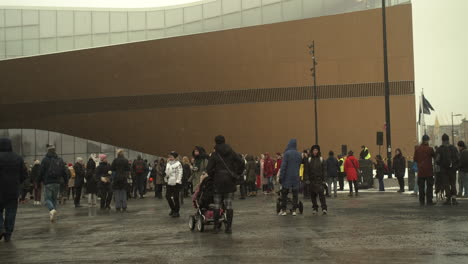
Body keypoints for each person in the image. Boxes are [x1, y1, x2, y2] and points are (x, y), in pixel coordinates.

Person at [207, 135, 244, 234]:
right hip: (229, 181)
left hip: (218, 181)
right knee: (229, 205)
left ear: (215, 142)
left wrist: (213, 176)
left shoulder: (214, 154)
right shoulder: (231, 152)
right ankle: (229, 227)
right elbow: (241, 162)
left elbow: (209, 169)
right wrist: (237, 173)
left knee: (217, 205)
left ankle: (216, 227)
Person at [0, 138, 27, 242]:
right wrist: (16, 182)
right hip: (13, 190)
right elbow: (24, 175)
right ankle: (8, 233)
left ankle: (0, 228)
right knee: (11, 212)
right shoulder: (18, 158)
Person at [38, 144, 68, 222]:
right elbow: (64, 171)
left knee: (47, 199)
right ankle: (53, 214)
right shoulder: (59, 159)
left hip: (48, 182)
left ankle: (51, 210)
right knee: (54, 199)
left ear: (48, 151)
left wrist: (38, 181)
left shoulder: (45, 160)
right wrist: (66, 181)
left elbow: (41, 172)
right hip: (57, 182)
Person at [278, 139, 302, 216]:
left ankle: (284, 210)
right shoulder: (298, 154)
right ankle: (294, 210)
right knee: (295, 194)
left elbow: (283, 166)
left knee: (284, 193)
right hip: (295, 176)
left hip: (287, 177)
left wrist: (281, 177)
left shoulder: (287, 154)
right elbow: (299, 166)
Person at [436, 134, 459, 205]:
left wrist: (440, 165)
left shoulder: (440, 149)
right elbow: (458, 158)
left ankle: (448, 199)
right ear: (448, 140)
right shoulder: (454, 148)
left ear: (442, 140)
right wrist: (455, 166)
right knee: (453, 183)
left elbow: (437, 159)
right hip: (452, 170)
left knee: (446, 184)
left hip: (444, 170)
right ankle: (454, 198)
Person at [304, 145, 328, 215]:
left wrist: (324, 179)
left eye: (316, 150)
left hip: (319, 180)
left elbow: (324, 170)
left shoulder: (321, 159)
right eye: (314, 150)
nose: (315, 152)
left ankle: (324, 208)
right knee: (313, 195)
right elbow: (306, 170)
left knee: (321, 195)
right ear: (312, 151)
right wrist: (307, 179)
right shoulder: (309, 159)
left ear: (318, 151)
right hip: (311, 180)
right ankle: (315, 208)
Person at [414, 135, 436, 206]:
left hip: (421, 171)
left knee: (421, 187)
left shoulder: (417, 149)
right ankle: (429, 201)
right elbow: (435, 157)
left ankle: (421, 201)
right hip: (429, 171)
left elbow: (415, 159)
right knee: (429, 186)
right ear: (427, 140)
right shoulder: (430, 149)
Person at [165, 152, 182, 218]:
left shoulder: (178, 164)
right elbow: (167, 172)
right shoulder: (168, 163)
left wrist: (178, 181)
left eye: (171, 156)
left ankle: (176, 211)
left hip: (176, 182)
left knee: (176, 197)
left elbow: (180, 173)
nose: (170, 158)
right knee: (167, 196)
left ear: (174, 157)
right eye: (169, 156)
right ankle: (173, 208)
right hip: (169, 182)